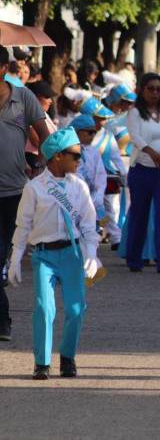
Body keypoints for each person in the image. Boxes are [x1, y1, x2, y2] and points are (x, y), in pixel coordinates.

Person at [6, 128, 101, 379]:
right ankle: (42, 362)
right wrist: (15, 257)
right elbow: (23, 224)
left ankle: (68, 357)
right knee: (44, 308)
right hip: (44, 255)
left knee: (76, 309)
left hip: (71, 253)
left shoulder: (79, 187)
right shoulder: (35, 188)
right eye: (75, 156)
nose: (79, 161)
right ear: (57, 156)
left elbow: (89, 225)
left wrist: (92, 254)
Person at [0, 48, 50, 342]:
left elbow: (45, 135)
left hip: (13, 192)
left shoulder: (23, 97)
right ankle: (2, 319)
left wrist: (42, 164)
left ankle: (2, 319)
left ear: (4, 67)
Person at [125, 73, 160, 273]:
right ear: (142, 90)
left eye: (159, 89)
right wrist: (149, 150)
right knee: (140, 215)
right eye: (151, 89)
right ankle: (134, 259)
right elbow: (135, 136)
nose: (155, 93)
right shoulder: (135, 113)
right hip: (141, 169)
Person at [84, 97, 126, 251]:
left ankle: (116, 237)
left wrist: (123, 173)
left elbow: (115, 156)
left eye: (104, 119)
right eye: (100, 118)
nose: (103, 121)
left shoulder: (107, 135)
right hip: (82, 180)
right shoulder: (78, 134)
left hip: (105, 178)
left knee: (107, 208)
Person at [70, 115, 107, 220]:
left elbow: (101, 177)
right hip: (72, 203)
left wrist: (97, 199)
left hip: (92, 203)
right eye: (90, 132)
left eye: (95, 132)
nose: (93, 135)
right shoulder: (66, 152)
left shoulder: (94, 151)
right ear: (77, 131)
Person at [25, 81, 58, 174]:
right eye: (47, 97)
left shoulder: (44, 114)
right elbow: (37, 141)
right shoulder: (28, 113)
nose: (50, 101)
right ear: (35, 97)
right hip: (33, 164)